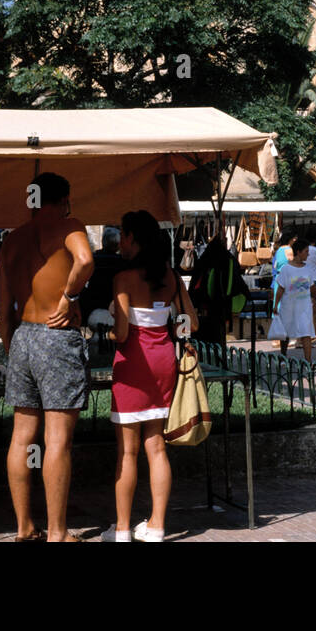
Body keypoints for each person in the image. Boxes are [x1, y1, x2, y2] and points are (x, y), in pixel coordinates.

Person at [0, 172, 94, 543]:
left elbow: (3, 308)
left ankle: (24, 527)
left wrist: (13, 348)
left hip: (23, 336)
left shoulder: (12, 240)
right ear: (65, 199)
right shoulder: (69, 225)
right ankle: (56, 532)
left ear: (31, 201)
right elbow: (84, 260)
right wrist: (69, 297)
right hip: (56, 337)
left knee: (22, 438)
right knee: (56, 441)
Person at [103, 210, 199, 543]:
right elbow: (193, 323)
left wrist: (108, 336)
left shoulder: (123, 279)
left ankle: (122, 530)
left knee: (127, 452)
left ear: (133, 238)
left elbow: (123, 331)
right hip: (163, 363)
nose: (120, 242)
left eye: (122, 235)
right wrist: (170, 325)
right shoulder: (171, 276)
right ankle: (157, 526)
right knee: (156, 446)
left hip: (133, 365)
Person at [268, 233, 316, 361]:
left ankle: (308, 361)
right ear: (299, 252)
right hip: (288, 307)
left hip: (304, 307)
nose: (308, 254)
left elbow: (312, 287)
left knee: (306, 333)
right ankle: (283, 355)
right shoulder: (286, 269)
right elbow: (280, 289)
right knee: (286, 333)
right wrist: (275, 305)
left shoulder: (308, 269)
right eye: (306, 251)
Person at [82, 226, 126, 324]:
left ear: (102, 242)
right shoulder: (123, 262)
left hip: (92, 303)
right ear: (118, 245)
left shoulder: (93, 259)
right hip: (115, 304)